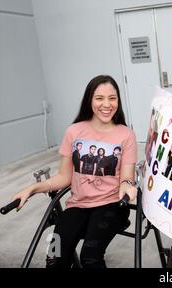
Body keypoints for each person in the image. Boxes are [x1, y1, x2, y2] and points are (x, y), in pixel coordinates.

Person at [11, 75, 138, 268]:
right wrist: (32, 189)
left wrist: (127, 186)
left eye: (112, 98)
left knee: (90, 257)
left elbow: (127, 176)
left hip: (111, 206)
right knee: (54, 256)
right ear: (90, 100)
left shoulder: (125, 134)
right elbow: (64, 177)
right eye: (99, 98)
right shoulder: (74, 131)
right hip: (76, 206)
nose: (106, 104)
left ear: (118, 101)